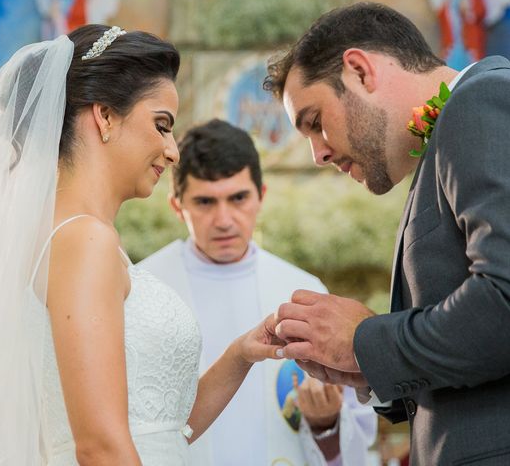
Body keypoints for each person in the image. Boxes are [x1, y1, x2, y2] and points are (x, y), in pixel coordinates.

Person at [0, 25, 283, 465]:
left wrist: (240, 355)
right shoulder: (84, 240)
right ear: (105, 116)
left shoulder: (73, 236)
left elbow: (159, 429)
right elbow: (100, 446)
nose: (172, 151)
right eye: (162, 125)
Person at [263, 1, 510, 465]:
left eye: (315, 122)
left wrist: (364, 342)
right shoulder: (461, 129)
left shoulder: (488, 104)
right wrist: (365, 369)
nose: (317, 154)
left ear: (359, 71)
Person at [137, 119, 377, 466]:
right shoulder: (143, 286)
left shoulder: (303, 291)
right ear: (177, 206)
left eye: (238, 198)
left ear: (260, 196)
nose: (224, 219)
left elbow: (352, 434)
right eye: (205, 202)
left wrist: (325, 424)